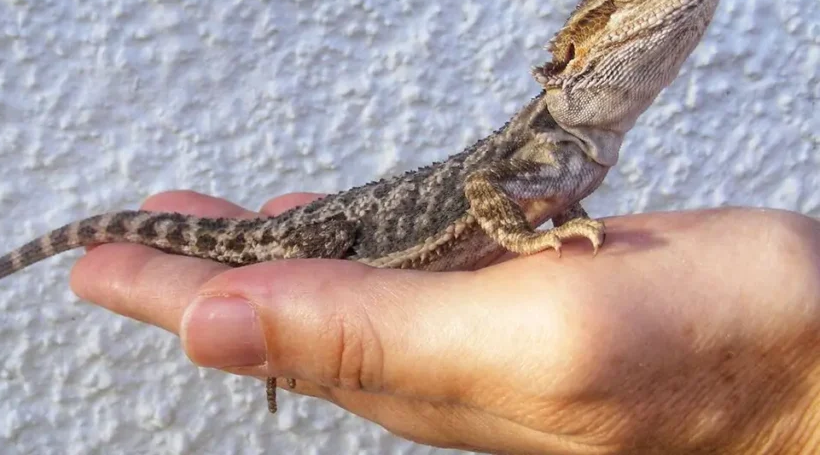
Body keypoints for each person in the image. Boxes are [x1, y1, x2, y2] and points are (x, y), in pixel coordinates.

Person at [70, 190, 820, 454]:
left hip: (353, 227)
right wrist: (527, 240)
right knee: (258, 254)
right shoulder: (542, 142)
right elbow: (490, 187)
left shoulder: (570, 155)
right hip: (340, 233)